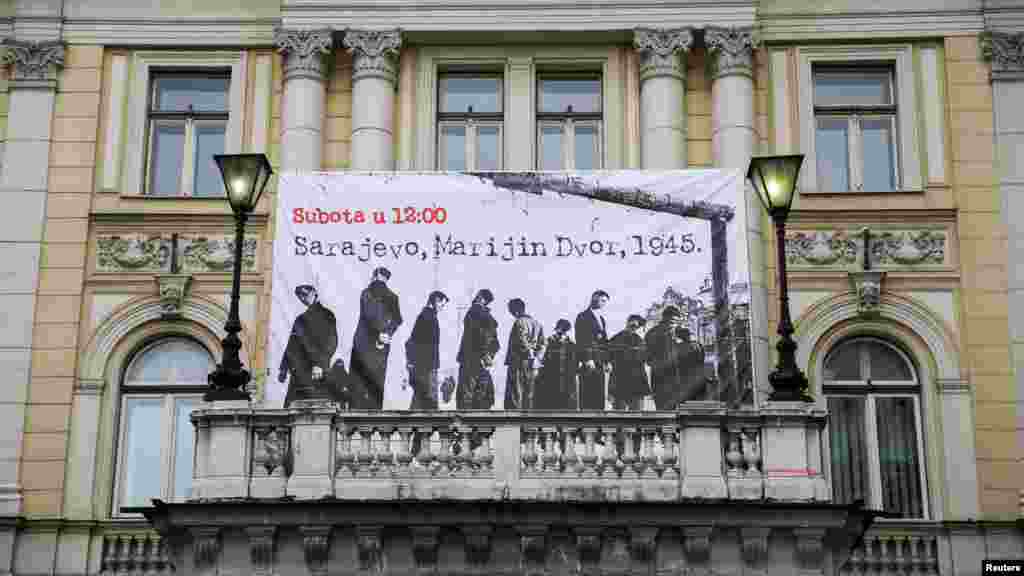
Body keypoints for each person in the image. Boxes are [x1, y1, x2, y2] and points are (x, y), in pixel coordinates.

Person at [279, 285, 341, 407]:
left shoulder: (327, 315)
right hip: (298, 371)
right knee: (291, 408)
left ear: (314, 293)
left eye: (305, 294)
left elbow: (331, 342)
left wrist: (320, 364)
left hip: (316, 371)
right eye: (300, 296)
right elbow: (292, 344)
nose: (302, 298)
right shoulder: (300, 319)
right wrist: (283, 368)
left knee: (317, 410)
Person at [349, 267, 402, 409]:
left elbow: (368, 316)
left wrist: (384, 334)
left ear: (375, 276)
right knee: (375, 382)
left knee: (360, 383)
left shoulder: (366, 293)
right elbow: (397, 320)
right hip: (379, 344)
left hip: (365, 343)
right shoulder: (392, 296)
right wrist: (387, 333)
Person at [645, 306, 705, 410]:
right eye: (671, 321)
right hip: (665, 377)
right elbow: (648, 358)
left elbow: (697, 350)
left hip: (672, 377)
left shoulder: (681, 333)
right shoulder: (654, 334)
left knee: (667, 409)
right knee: (667, 408)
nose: (671, 324)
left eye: (674, 322)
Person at [456, 289, 500, 410]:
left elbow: (479, 336)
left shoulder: (474, 312)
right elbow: (496, 343)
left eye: (477, 295)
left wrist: (483, 355)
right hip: (483, 363)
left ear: (480, 297)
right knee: (481, 396)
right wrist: (489, 357)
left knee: (466, 396)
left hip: (471, 360)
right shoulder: (489, 317)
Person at [405, 291, 448, 410]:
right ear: (436, 301)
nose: (442, 308)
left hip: (425, 365)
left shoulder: (427, 316)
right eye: (442, 304)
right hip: (427, 366)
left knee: (420, 399)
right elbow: (412, 342)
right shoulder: (427, 316)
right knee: (427, 400)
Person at [503, 298, 545, 410]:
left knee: (515, 393)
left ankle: (514, 422)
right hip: (532, 364)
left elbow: (522, 340)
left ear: (516, 310)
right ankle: (527, 423)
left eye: (510, 310)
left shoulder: (519, 322)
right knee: (529, 393)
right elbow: (542, 344)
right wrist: (537, 359)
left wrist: (529, 353)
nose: (510, 313)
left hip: (519, 362)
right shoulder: (537, 323)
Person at [575, 290, 610, 410]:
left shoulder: (601, 319)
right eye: (603, 300)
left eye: (606, 302)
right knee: (587, 393)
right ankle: (585, 424)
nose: (604, 304)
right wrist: (587, 359)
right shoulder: (582, 316)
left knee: (599, 393)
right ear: (595, 298)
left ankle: (598, 423)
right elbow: (581, 339)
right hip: (589, 361)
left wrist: (607, 361)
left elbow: (604, 342)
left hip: (600, 361)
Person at [608, 314, 650, 411]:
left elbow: (646, 357)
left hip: (637, 383)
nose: (634, 328)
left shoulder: (640, 340)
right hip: (619, 383)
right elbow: (609, 357)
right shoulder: (615, 339)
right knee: (619, 415)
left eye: (637, 326)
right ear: (627, 323)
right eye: (632, 325)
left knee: (637, 415)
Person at [535, 319, 578, 410]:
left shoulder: (571, 343)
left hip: (565, 379)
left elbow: (574, 362)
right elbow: (540, 357)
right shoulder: (549, 341)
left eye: (563, 330)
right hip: (551, 378)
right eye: (561, 329)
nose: (561, 332)